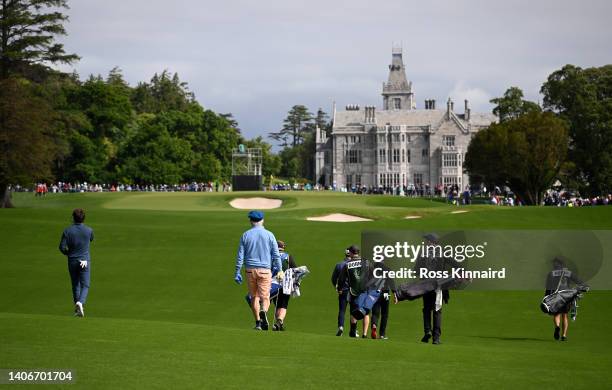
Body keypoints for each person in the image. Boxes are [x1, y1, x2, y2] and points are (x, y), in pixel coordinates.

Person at [234, 210, 281, 330]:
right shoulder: (270, 235)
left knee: (254, 296)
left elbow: (240, 255)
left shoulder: (245, 235)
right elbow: (276, 255)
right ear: (262, 220)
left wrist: (237, 271)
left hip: (250, 270)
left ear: (251, 221)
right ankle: (263, 311)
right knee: (265, 297)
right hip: (265, 270)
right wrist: (280, 269)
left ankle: (258, 323)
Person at [58, 208, 94, 317]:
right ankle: (80, 303)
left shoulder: (67, 231)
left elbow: (62, 247)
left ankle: (77, 308)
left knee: (75, 285)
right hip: (84, 260)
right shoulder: (89, 230)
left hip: (72, 260)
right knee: (85, 285)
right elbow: (91, 239)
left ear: (73, 218)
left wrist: (68, 253)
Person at [545, 257, 587, 341]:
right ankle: (564, 336)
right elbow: (579, 281)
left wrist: (547, 296)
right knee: (565, 315)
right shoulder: (568, 273)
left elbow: (548, 287)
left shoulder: (551, 273)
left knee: (556, 314)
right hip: (566, 295)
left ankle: (557, 327)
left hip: (556, 296)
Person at [272, 240, 297, 331]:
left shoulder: (271, 256)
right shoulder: (288, 257)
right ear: (283, 247)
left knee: (277, 304)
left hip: (273, 284)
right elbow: (295, 270)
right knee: (283, 304)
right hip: (286, 284)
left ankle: (278, 324)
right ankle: (279, 321)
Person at [331, 248, 351, 336]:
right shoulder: (355, 265)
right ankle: (354, 330)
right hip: (353, 291)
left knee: (342, 310)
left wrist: (336, 286)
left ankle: (341, 327)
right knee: (354, 311)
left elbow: (333, 278)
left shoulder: (339, 265)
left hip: (343, 290)